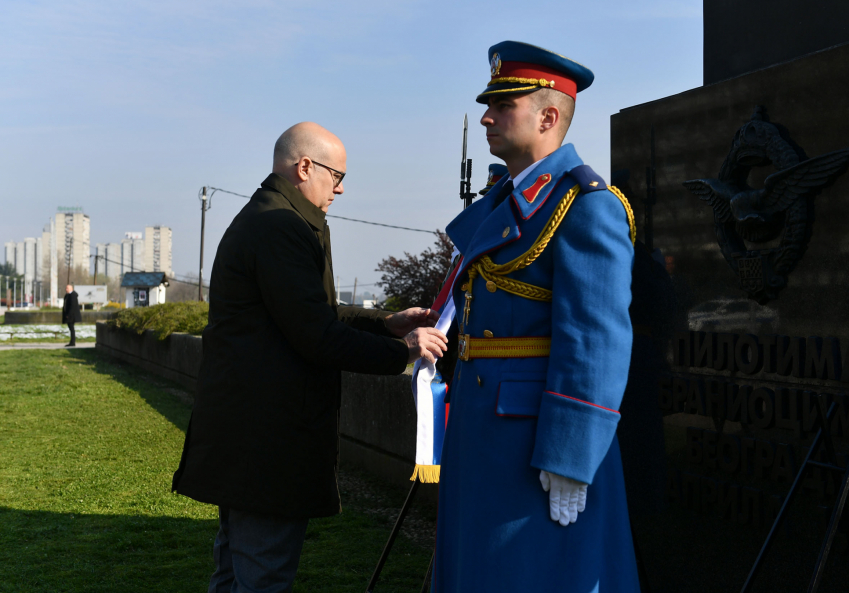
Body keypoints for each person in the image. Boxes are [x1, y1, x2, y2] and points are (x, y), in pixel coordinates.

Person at [171, 122, 448, 593]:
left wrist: (386, 323)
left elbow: (314, 311)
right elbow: (317, 335)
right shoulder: (281, 226)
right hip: (267, 439)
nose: (340, 189)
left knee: (236, 570)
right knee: (261, 575)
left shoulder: (273, 217)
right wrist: (403, 350)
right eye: (337, 176)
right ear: (305, 167)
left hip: (247, 434)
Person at [433, 42, 641, 592]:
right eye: (489, 105)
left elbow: (596, 340)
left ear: (548, 117)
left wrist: (572, 453)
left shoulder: (585, 205)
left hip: (535, 446)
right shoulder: (509, 202)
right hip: (484, 432)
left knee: (537, 574)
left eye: (503, 105)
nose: (487, 117)